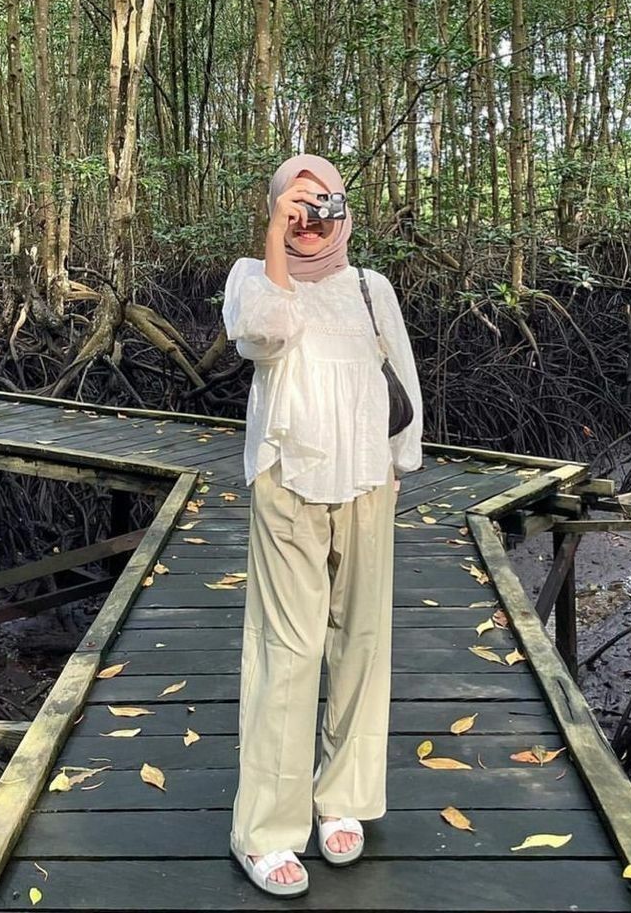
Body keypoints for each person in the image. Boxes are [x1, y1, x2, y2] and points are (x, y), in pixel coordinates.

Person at [221, 153, 423, 897]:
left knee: (362, 641)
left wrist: (401, 463)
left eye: (322, 201)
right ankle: (266, 830)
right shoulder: (253, 276)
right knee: (289, 650)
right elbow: (264, 336)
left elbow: (398, 372)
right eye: (293, 204)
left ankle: (343, 796)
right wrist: (276, 237)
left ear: (344, 208)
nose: (310, 218)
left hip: (369, 480)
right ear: (275, 210)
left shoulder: (372, 287)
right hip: (287, 481)